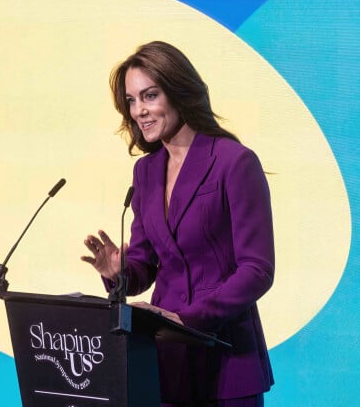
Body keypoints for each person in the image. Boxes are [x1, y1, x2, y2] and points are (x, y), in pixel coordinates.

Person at [81, 41, 274, 407]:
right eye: (131, 101)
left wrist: (188, 319)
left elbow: (257, 270)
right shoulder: (146, 171)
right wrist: (118, 271)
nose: (139, 111)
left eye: (149, 96)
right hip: (166, 361)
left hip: (226, 358)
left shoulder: (234, 162)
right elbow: (144, 268)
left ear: (178, 91)